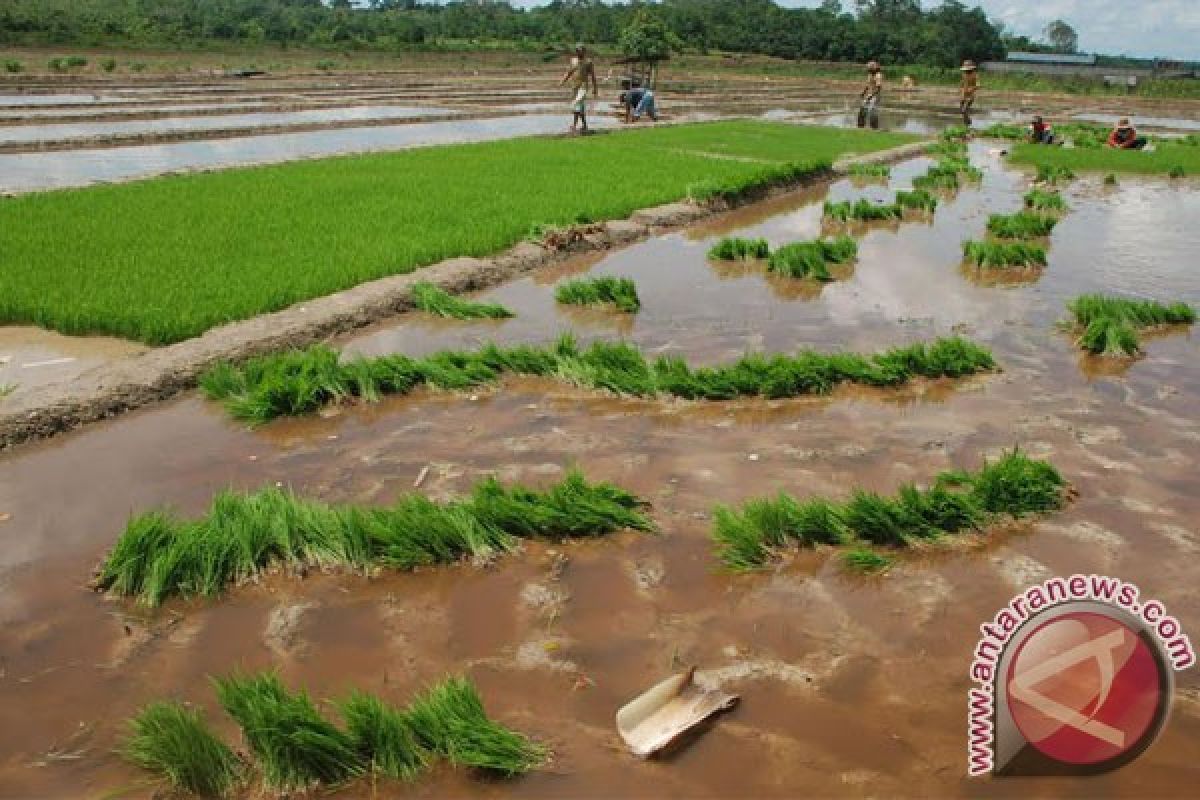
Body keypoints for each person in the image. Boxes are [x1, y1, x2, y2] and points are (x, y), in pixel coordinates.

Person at [561, 44, 598, 134]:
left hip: (583, 86)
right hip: (574, 86)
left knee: (577, 103)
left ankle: (574, 125)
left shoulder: (588, 62)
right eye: (577, 50)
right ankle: (585, 125)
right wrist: (563, 80)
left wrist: (595, 88)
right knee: (580, 107)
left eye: (580, 50)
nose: (578, 52)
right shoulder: (573, 61)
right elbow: (569, 72)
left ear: (584, 52)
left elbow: (593, 76)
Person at [858, 61, 883, 129]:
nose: (868, 70)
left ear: (873, 68)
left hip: (876, 95)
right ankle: (860, 126)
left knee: (873, 111)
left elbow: (878, 88)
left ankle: (874, 128)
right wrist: (863, 92)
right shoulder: (870, 75)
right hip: (869, 94)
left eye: (869, 68)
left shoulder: (878, 75)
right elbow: (867, 85)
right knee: (862, 109)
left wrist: (871, 96)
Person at [959, 60, 979, 126]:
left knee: (964, 110)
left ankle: (968, 122)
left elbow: (978, 85)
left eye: (968, 69)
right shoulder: (964, 74)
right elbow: (962, 84)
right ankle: (966, 123)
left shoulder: (975, 75)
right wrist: (962, 89)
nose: (966, 71)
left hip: (970, 95)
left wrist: (971, 89)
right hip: (963, 95)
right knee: (962, 110)